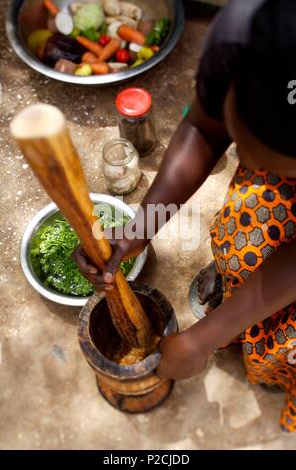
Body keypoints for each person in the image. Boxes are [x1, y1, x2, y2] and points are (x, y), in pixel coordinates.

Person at [74, 0, 296, 432]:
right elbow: (203, 128)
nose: (241, 161)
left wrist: (204, 339)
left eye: (270, 161)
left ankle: (274, 369)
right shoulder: (241, 37)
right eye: (240, 139)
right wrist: (142, 227)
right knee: (244, 239)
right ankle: (248, 318)